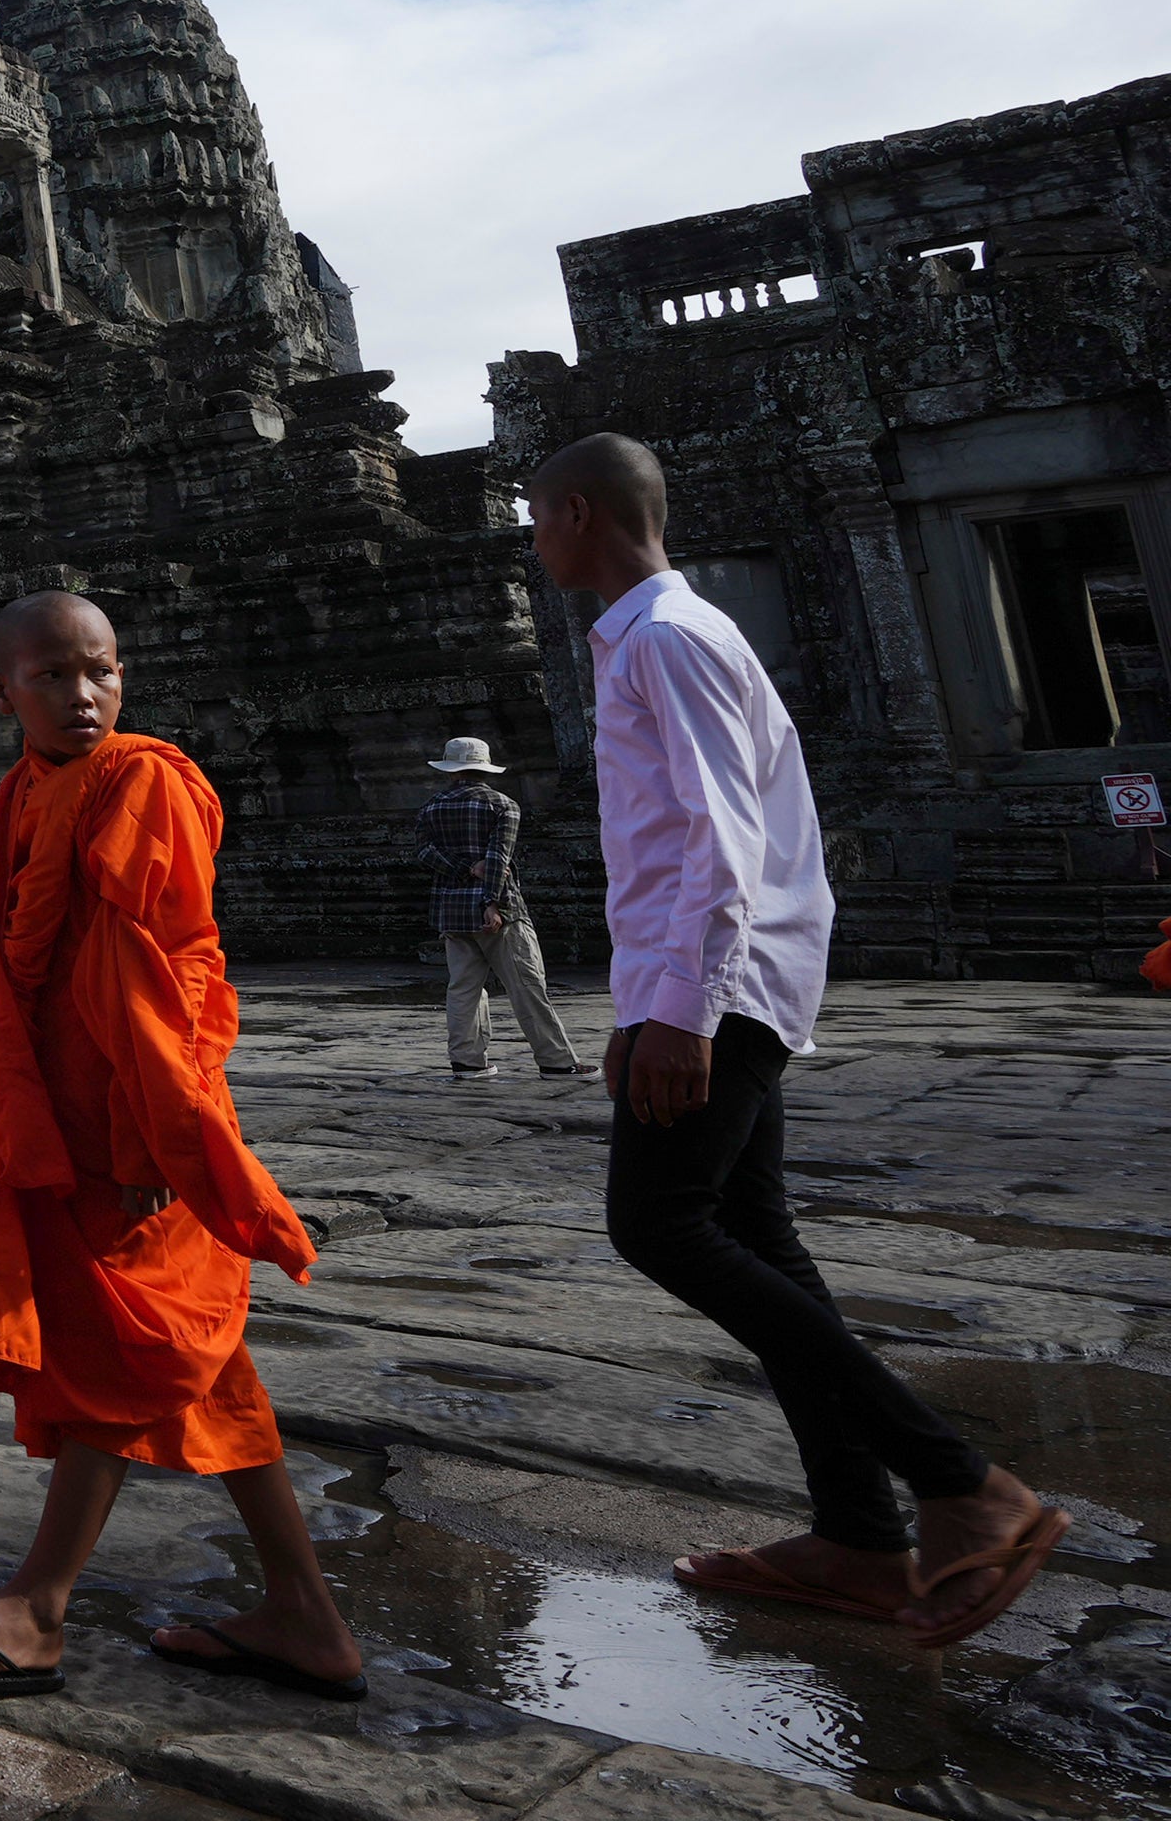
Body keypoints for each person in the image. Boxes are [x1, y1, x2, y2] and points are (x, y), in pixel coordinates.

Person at [528, 433, 1067, 1648]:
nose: (533, 543)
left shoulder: (665, 637)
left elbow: (720, 841)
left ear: (576, 512)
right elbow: (673, 841)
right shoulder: (659, 634)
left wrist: (681, 1011)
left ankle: (964, 1487)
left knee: (658, 1224)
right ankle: (860, 1537)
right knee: (754, 1233)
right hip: (713, 978)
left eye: (537, 521)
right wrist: (645, 1000)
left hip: (724, 982)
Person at [0, 592, 367, 1706]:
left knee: (129, 1343)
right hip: (60, 1114)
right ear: (0, 693)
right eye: (51, 676)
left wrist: (163, 1124)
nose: (83, 694)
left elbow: (173, 975)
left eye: (99, 670)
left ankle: (39, 1605)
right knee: (193, 1358)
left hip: (138, 1119)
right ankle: (305, 1614)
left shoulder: (142, 779)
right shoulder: (20, 799)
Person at [420, 737, 578, 1081]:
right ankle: (556, 1060)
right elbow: (498, 858)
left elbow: (424, 853)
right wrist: (490, 902)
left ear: (451, 771)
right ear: (484, 768)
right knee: (526, 985)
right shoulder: (502, 805)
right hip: (499, 911)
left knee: (464, 987)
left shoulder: (431, 807)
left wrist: (462, 868)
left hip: (451, 910)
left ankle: (467, 1061)